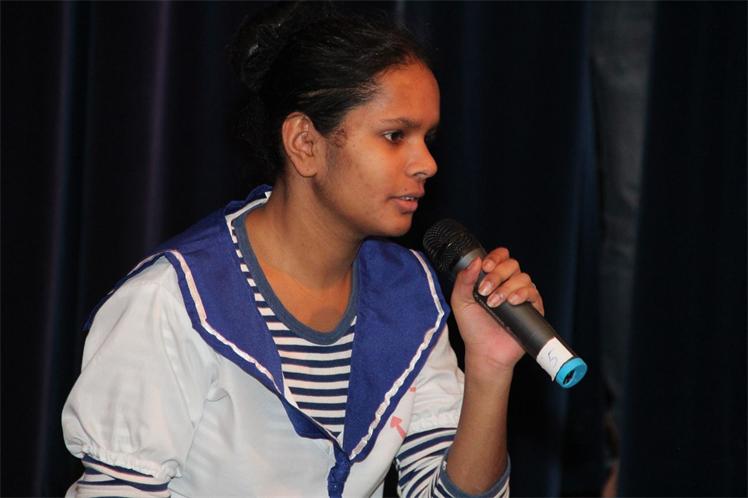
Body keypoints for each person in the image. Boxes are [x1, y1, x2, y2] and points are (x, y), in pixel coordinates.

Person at [62, 3, 544, 497]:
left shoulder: (408, 294)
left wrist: (489, 370)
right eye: (395, 135)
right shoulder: (174, 301)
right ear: (305, 143)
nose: (426, 163)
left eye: (428, 138)